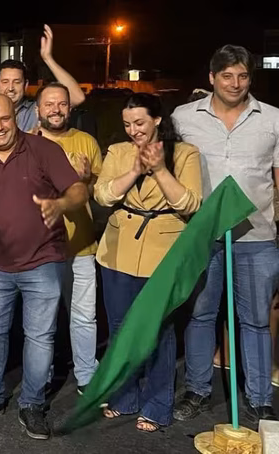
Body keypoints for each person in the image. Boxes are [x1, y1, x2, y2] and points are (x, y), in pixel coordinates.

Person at [0, 94, 88, 440]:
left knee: (40, 336)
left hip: (42, 260)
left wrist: (61, 204)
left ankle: (32, 403)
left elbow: (78, 190)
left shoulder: (44, 150)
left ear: (15, 117)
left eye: (5, 118)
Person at [172, 44, 279, 422]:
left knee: (256, 321)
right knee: (201, 315)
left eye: (243, 76)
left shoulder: (273, 119)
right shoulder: (184, 118)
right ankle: (197, 390)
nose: (235, 83)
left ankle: (260, 397)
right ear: (212, 78)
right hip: (202, 235)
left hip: (257, 237)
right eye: (227, 76)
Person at [96, 93, 202, 431]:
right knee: (119, 328)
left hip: (163, 252)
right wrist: (134, 171)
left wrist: (159, 170)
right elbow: (102, 195)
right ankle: (124, 396)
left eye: (139, 122)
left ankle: (157, 404)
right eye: (127, 124)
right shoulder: (118, 151)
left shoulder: (185, 153)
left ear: (157, 119)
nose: (133, 130)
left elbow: (190, 204)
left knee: (159, 330)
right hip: (117, 250)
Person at [34, 82, 102, 392]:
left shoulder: (86, 141)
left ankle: (86, 374)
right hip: (40, 247)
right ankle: (43, 376)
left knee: (84, 316)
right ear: (38, 109)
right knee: (42, 319)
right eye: (49, 104)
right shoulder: (27, 143)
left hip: (81, 244)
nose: (55, 109)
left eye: (62, 104)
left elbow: (101, 193)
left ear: (70, 108)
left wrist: (85, 180)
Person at [0, 25, 86, 132]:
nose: (10, 88)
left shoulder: (37, 110)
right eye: (5, 82)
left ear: (26, 85)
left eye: (17, 82)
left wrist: (48, 59)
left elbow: (78, 97)